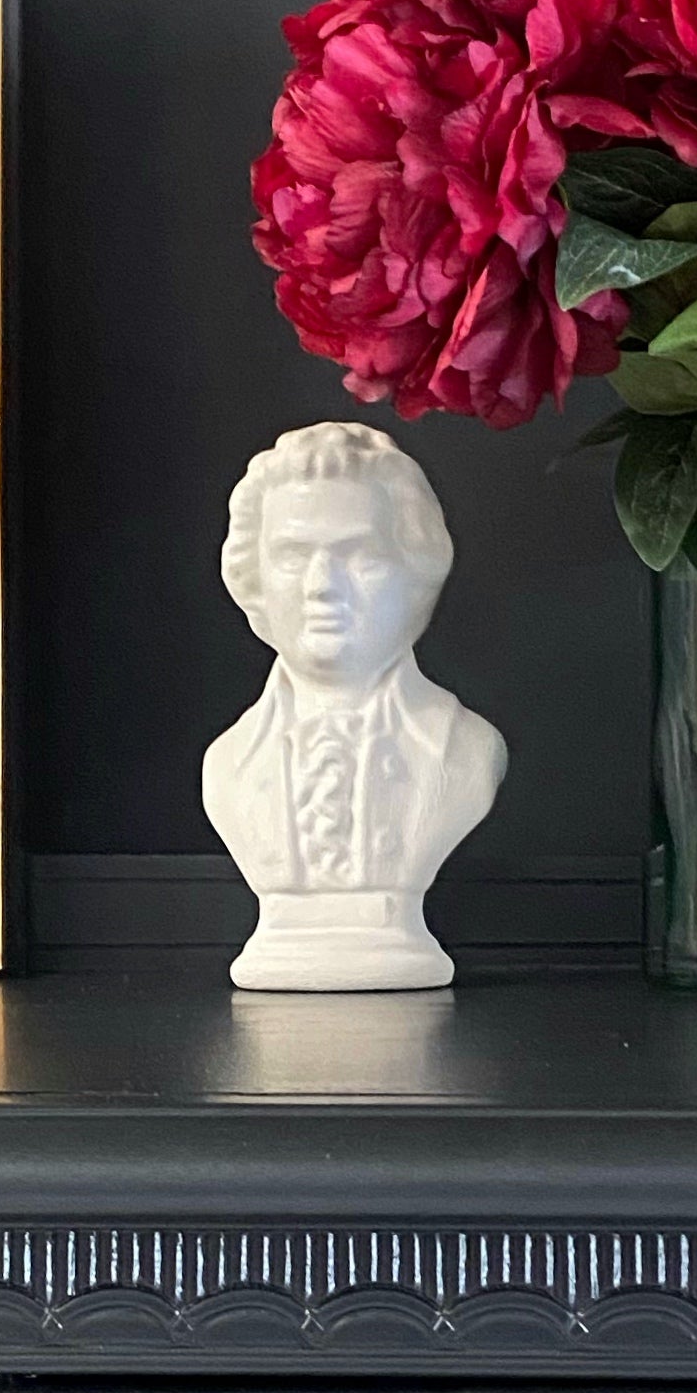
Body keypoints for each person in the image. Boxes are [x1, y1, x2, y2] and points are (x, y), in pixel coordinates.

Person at [203, 421, 506, 990]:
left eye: (360, 556)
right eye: (293, 556)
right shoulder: (228, 765)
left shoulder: (463, 750)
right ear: (254, 578)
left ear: (416, 572)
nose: (322, 586)